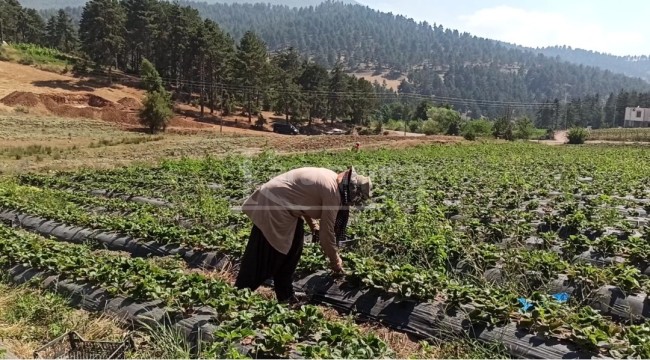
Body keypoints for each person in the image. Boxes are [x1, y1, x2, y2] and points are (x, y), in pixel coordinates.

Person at [235, 166, 372, 304]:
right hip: (274, 205)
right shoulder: (333, 193)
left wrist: (314, 226)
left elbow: (302, 200)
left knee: (293, 249)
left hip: (277, 201)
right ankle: (241, 293)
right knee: (270, 252)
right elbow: (327, 234)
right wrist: (336, 262)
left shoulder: (331, 178)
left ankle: (285, 295)